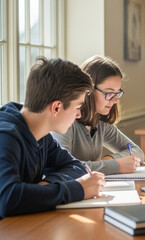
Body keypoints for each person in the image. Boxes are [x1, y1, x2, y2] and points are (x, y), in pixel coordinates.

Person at [0, 57, 106, 219]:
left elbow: (76, 167)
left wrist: (46, 186)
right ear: (56, 107)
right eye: (78, 107)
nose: (79, 114)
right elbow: (8, 199)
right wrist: (79, 189)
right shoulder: (5, 136)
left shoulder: (42, 136)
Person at [52, 56, 144, 175]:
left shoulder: (100, 122)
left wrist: (108, 160)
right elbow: (64, 167)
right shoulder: (66, 121)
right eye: (110, 93)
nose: (115, 100)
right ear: (88, 89)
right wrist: (115, 165)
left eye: (117, 93)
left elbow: (137, 151)